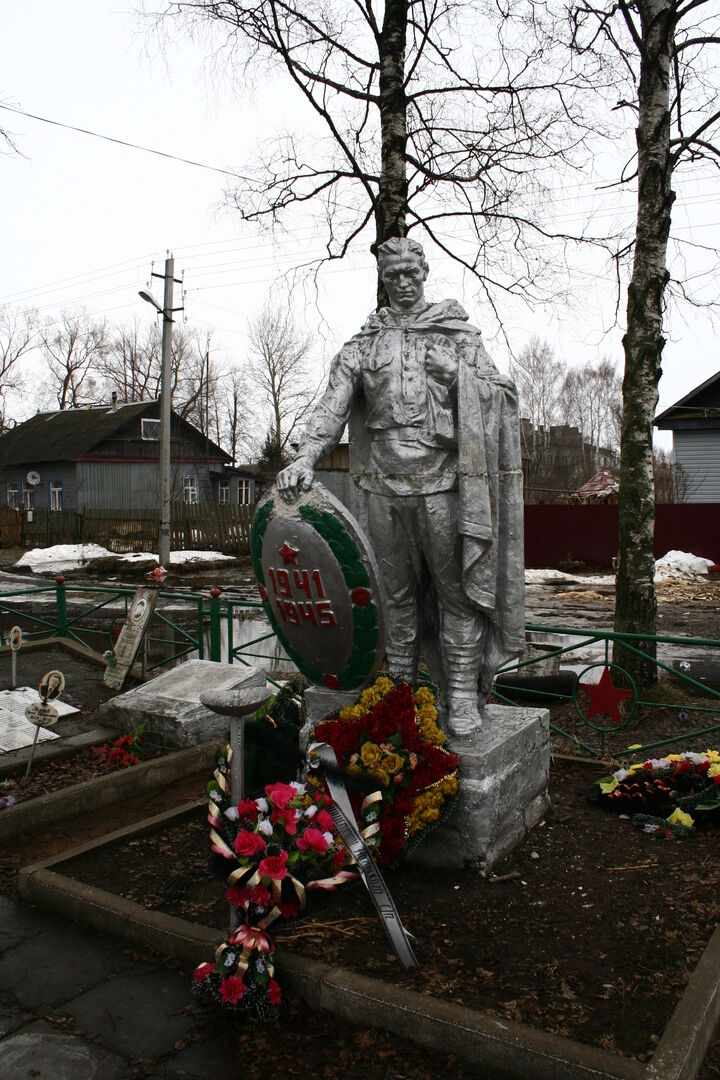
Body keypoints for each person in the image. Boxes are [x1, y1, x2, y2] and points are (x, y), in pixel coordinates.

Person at [277, 237, 524, 736]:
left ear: (425, 270)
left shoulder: (457, 336)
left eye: (411, 271)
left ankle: (459, 696)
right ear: (383, 280)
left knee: (456, 595)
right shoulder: (364, 344)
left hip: (444, 487)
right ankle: (400, 694)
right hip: (381, 490)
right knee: (394, 599)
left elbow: (503, 398)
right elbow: (332, 406)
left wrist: (457, 377)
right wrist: (304, 456)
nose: (404, 281)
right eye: (394, 275)